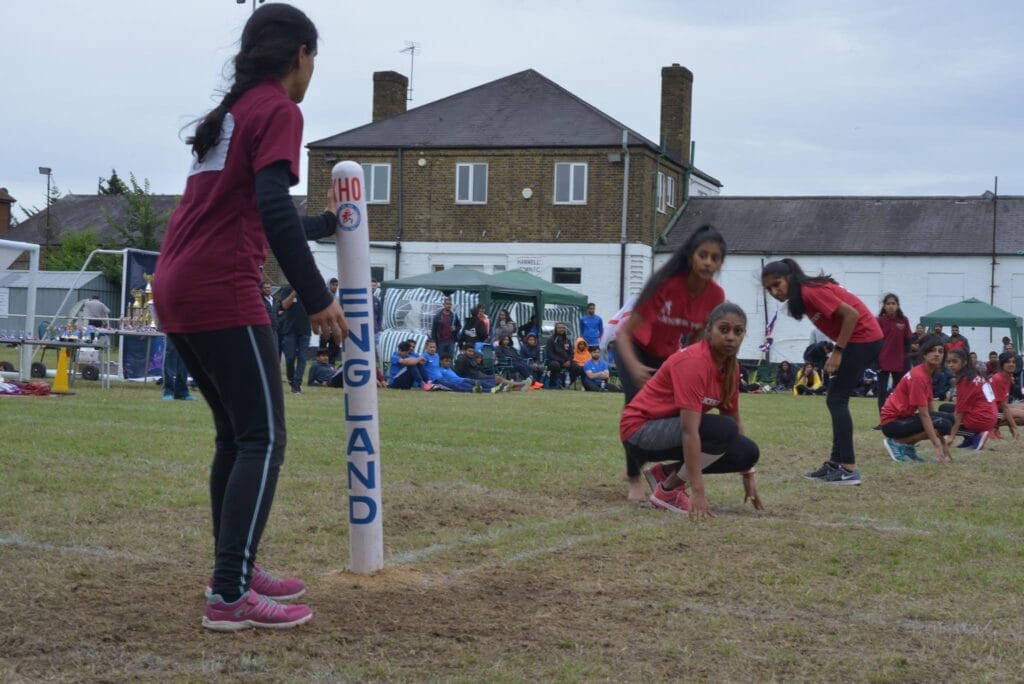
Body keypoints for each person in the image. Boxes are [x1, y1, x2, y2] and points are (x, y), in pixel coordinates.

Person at [152, 4, 347, 632]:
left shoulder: (232, 115)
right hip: (218, 290)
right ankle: (230, 593)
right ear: (300, 56)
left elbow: (257, 211)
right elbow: (270, 201)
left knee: (237, 438)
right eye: (314, 59)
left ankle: (231, 571)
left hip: (177, 285)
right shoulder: (280, 110)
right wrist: (317, 298)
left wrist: (321, 226)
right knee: (263, 438)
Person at [616, 225, 727, 501]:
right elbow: (623, 334)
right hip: (635, 349)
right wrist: (635, 369)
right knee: (636, 406)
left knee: (680, 413)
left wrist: (693, 365)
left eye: (715, 258)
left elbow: (700, 337)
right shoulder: (666, 286)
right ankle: (633, 477)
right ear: (691, 256)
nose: (709, 262)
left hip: (668, 356)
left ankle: (664, 473)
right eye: (704, 255)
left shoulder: (715, 296)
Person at [622, 303, 763, 518]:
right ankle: (668, 491)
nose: (731, 337)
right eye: (723, 329)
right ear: (708, 331)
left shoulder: (731, 368)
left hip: (672, 430)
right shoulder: (694, 362)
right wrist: (698, 490)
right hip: (640, 431)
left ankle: (665, 474)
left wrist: (747, 473)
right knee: (723, 430)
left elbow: (732, 416)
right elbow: (690, 430)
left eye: (738, 331)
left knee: (747, 452)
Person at [762, 258, 883, 485]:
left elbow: (851, 315)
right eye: (769, 289)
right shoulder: (805, 294)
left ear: (789, 278)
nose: (774, 292)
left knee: (837, 399)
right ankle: (837, 464)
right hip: (861, 340)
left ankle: (848, 468)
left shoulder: (809, 291)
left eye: (777, 284)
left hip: (864, 339)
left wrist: (838, 351)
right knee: (835, 399)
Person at [879, 336, 953, 463]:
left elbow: (931, 411)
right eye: (933, 350)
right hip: (892, 423)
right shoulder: (919, 376)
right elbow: (924, 415)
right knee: (943, 424)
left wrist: (943, 441)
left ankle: (907, 447)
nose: (937, 354)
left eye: (941, 351)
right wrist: (937, 445)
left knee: (949, 420)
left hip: (903, 419)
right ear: (924, 355)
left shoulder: (927, 374)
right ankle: (897, 442)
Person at [938, 349, 996, 450]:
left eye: (955, 361)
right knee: (944, 408)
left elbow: (960, 412)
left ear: (964, 362)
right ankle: (969, 438)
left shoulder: (965, 380)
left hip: (982, 418)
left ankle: (976, 435)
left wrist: (951, 436)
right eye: (949, 362)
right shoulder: (975, 374)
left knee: (942, 422)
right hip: (989, 414)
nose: (951, 365)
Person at [876, 293, 911, 414]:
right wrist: (876, 363)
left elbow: (908, 342)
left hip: (899, 363)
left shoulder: (904, 320)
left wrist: (906, 360)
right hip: (882, 363)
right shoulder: (879, 321)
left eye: (893, 303)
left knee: (900, 392)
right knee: (882, 392)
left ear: (898, 306)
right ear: (884, 306)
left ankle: (898, 416)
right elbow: (874, 342)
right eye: (888, 304)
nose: (891, 306)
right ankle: (883, 420)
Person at [278, 285, 311, 394]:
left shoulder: (308, 290)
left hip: (305, 330)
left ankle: (296, 385)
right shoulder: (287, 289)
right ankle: (291, 379)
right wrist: (294, 292)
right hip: (290, 330)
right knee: (290, 358)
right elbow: (284, 306)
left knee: (302, 358)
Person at [989, 351, 1023, 440]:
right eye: (1008, 362)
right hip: (987, 412)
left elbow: (1005, 404)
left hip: (997, 409)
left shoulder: (1007, 377)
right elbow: (1004, 407)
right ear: (1002, 364)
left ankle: (994, 428)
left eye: (1013, 362)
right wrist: (1014, 427)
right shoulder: (998, 378)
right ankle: (991, 428)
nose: (1011, 364)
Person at [161, 336, 196, 401]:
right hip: (172, 327)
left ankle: (182, 392)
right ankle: (168, 391)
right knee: (171, 353)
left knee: (185, 354)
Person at [544, 322, 574, 388]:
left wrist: (569, 361)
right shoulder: (551, 340)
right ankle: (554, 384)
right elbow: (550, 354)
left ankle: (569, 384)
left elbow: (571, 353)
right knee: (555, 365)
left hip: (566, 362)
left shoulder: (567, 340)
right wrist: (562, 362)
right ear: (555, 329)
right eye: (559, 328)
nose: (561, 329)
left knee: (577, 367)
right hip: (553, 361)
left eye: (563, 328)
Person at [324, 277, 342, 365]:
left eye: (336, 285)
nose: (335, 287)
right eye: (333, 285)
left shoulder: (338, 299)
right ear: (329, 285)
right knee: (323, 350)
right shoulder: (324, 298)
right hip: (325, 328)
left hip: (335, 329)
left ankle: (331, 367)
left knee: (335, 350)